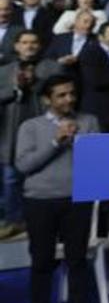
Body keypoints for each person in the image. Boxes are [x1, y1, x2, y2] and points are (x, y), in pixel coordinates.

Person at [14, 74, 101, 303]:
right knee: (41, 262)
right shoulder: (31, 126)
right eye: (61, 95)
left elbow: (99, 161)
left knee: (77, 260)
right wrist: (55, 142)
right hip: (39, 202)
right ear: (46, 100)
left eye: (71, 93)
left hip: (77, 200)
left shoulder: (88, 122)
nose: (69, 99)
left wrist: (77, 143)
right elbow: (24, 165)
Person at [0, 31, 62, 240]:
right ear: (16, 46)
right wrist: (16, 87)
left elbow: (62, 96)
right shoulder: (5, 71)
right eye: (24, 42)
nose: (29, 46)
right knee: (11, 180)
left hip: (44, 133)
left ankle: (45, 223)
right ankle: (14, 221)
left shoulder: (52, 68)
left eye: (34, 42)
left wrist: (35, 83)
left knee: (43, 178)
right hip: (11, 133)